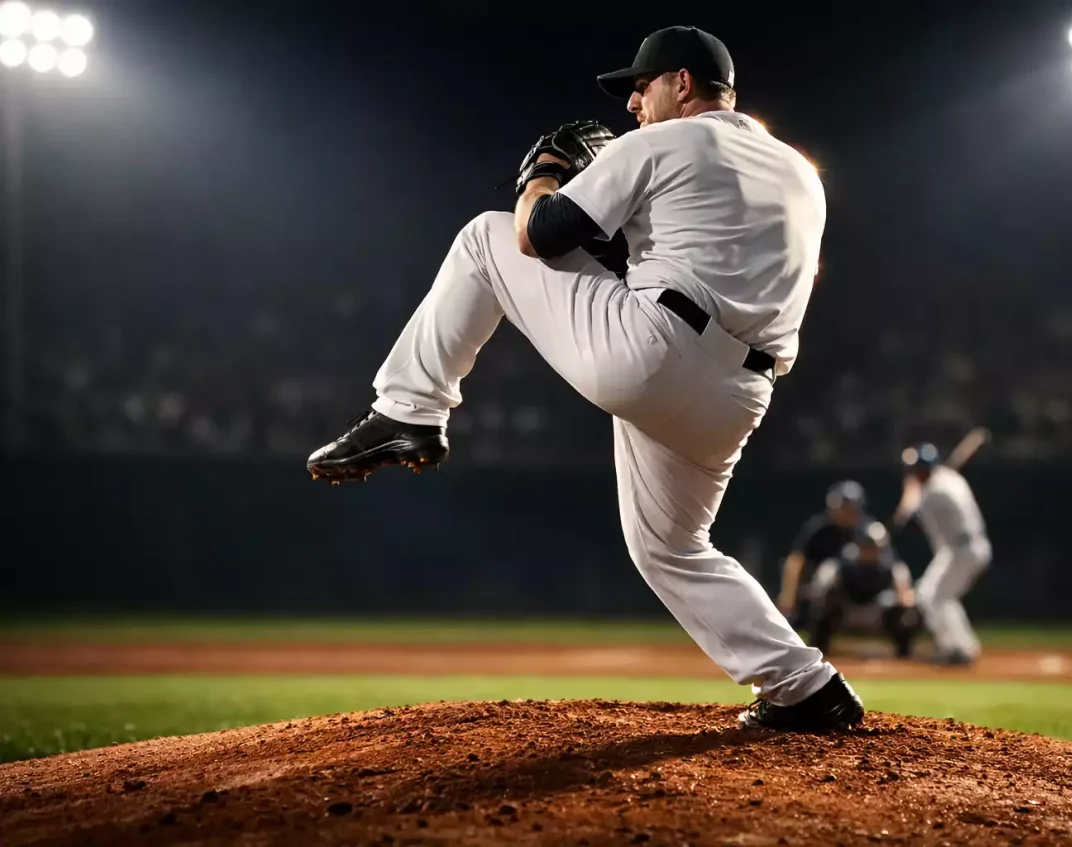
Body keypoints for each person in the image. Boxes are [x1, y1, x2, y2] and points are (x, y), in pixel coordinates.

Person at [305, 26, 863, 730]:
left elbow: (537, 234)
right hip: (743, 393)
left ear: (682, 84)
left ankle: (410, 407)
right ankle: (807, 688)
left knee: (485, 234)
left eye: (642, 85)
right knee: (672, 547)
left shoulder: (663, 142)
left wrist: (543, 168)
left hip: (652, 351)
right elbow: (677, 248)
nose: (632, 102)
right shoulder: (801, 175)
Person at [891, 435, 992, 665]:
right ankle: (963, 645)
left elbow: (905, 516)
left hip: (961, 551)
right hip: (964, 549)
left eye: (917, 469)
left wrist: (910, 490)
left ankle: (955, 648)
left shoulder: (934, 494)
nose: (915, 473)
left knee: (932, 597)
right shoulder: (949, 478)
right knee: (939, 597)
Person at [802, 521, 921, 658]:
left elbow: (905, 596)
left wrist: (903, 602)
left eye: (874, 547)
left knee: (903, 612)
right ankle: (818, 652)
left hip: (878, 614)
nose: (870, 550)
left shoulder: (895, 568)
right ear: (858, 545)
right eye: (866, 546)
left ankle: (904, 656)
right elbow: (819, 592)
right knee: (822, 607)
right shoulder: (838, 566)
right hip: (847, 612)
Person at [776, 480, 870, 626]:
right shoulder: (819, 529)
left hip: (857, 594)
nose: (846, 512)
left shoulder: (867, 532)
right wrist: (788, 596)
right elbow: (795, 562)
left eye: (851, 508)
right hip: (818, 594)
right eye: (843, 507)